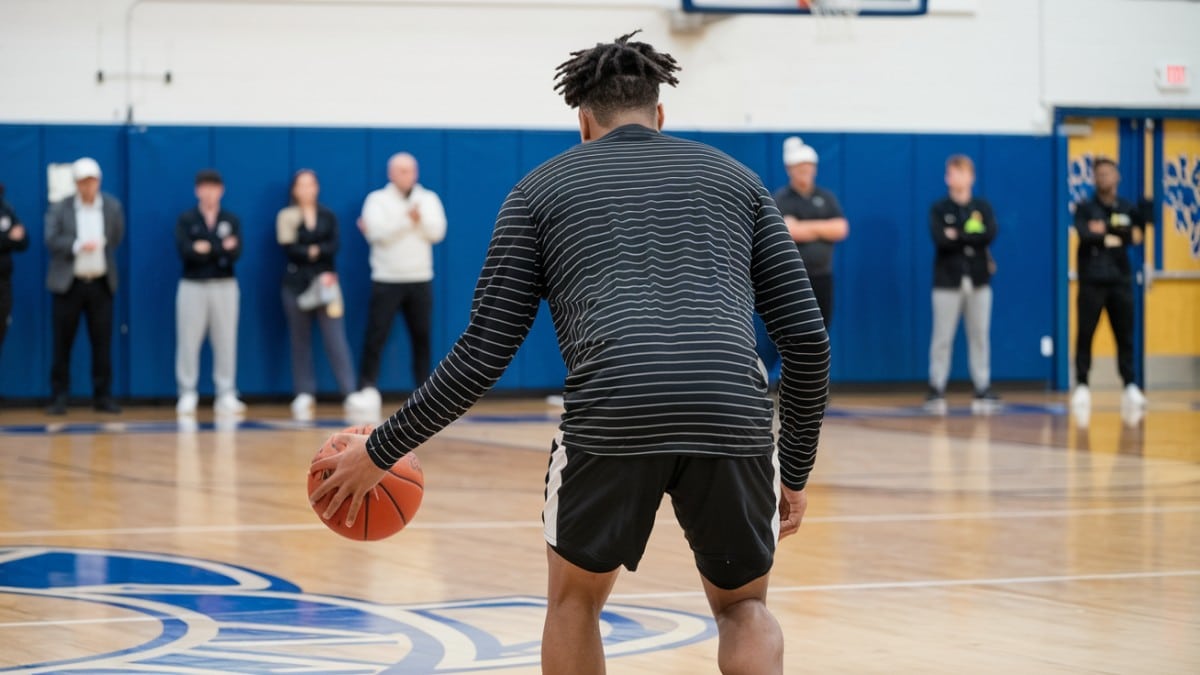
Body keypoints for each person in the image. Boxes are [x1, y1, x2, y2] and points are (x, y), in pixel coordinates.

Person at [311, 31, 831, 675]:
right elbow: (807, 341)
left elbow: (482, 353)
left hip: (613, 409)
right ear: (659, 114)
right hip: (730, 408)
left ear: (583, 122)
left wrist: (381, 450)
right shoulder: (739, 182)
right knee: (744, 606)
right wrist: (797, 472)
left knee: (575, 603)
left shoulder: (539, 190)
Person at [353, 152, 447, 415]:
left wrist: (419, 221)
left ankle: (424, 391)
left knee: (422, 336)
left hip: (419, 277)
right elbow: (376, 233)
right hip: (387, 278)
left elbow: (437, 231)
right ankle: (367, 388)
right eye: (403, 171)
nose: (409, 176)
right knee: (376, 335)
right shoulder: (377, 200)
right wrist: (408, 221)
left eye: (412, 170)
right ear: (391, 173)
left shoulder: (427, 199)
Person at [276, 169, 367, 420]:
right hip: (296, 285)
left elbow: (333, 246)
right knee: (300, 338)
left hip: (326, 283)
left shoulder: (327, 215)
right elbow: (290, 248)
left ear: (317, 187)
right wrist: (311, 251)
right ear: (295, 189)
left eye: (311, 184)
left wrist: (314, 251)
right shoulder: (287, 215)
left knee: (335, 338)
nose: (306, 189)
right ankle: (304, 392)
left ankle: (349, 391)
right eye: (301, 185)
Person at [44, 157, 124, 415]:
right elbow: (51, 238)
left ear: (99, 182)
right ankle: (59, 396)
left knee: (102, 344)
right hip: (69, 285)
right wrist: (77, 245)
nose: (88, 187)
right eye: (83, 182)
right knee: (62, 343)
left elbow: (116, 236)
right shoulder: (61, 208)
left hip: (100, 285)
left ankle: (102, 396)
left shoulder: (111, 206)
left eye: (92, 181)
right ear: (76, 184)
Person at [925, 155, 1001, 414]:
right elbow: (941, 240)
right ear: (947, 177)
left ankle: (982, 385)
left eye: (961, 172)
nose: (955, 177)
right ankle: (936, 386)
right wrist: (971, 237)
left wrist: (959, 235)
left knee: (980, 334)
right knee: (942, 336)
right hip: (947, 280)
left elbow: (989, 234)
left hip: (979, 279)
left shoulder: (982, 207)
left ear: (971, 176)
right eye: (951, 173)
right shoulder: (939, 209)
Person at [1072, 157, 1147, 412]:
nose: (1104, 178)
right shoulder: (1084, 208)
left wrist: (1105, 233)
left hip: (1120, 280)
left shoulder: (1126, 207)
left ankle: (1129, 384)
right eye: (1100, 174)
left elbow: (1136, 235)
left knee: (1125, 334)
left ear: (1117, 177)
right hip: (1092, 280)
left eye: (1108, 173)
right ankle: (1082, 384)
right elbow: (1086, 233)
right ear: (1094, 179)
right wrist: (1113, 235)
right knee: (1085, 333)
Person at [174, 169, 246, 416]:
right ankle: (187, 392)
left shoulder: (231, 220)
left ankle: (226, 392)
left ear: (221, 190)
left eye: (214, 187)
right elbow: (186, 252)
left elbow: (235, 253)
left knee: (226, 339)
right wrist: (220, 248)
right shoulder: (187, 219)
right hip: (192, 285)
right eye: (204, 187)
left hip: (224, 286)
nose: (209, 192)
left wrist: (206, 248)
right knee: (188, 339)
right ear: (197, 190)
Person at [773, 136, 848, 328]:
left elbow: (840, 228)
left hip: (822, 276)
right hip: (792, 278)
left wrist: (803, 227)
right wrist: (823, 228)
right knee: (792, 330)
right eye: (800, 168)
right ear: (790, 169)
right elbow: (788, 232)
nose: (805, 172)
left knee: (822, 328)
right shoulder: (782, 199)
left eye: (809, 167)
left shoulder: (826, 197)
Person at [0, 184, 30, 377]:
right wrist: (7, 238)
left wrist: (9, 239)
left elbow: (23, 241)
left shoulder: (6, 209)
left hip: (3, 282)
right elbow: (12, 238)